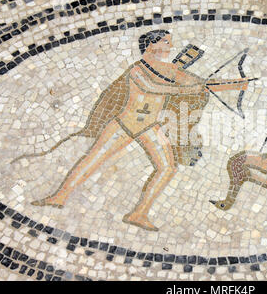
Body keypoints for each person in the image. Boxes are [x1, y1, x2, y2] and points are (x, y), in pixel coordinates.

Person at [16, 30, 252, 231]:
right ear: (151, 45)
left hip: (149, 126)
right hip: (124, 124)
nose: (170, 46)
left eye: (169, 42)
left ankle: (138, 213)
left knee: (167, 167)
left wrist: (235, 84)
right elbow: (152, 87)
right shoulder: (137, 70)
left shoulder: (171, 71)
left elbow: (202, 83)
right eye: (165, 42)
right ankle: (59, 196)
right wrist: (183, 90)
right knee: (94, 158)